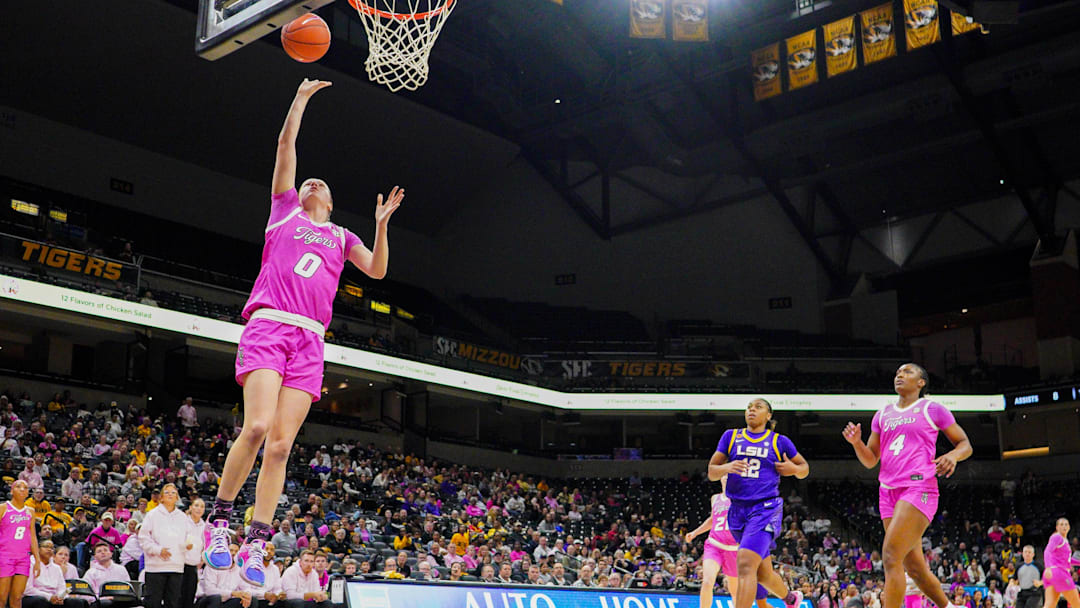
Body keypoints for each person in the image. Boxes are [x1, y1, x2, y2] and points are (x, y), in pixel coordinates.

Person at [203, 77, 404, 587]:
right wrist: (299, 100)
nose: (311, 183)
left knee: (280, 446)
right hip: (270, 325)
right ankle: (220, 520)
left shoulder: (342, 236)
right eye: (307, 182)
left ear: (332, 203)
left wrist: (381, 225)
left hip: (310, 339)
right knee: (255, 428)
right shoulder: (283, 214)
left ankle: (257, 538)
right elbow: (285, 148)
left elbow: (377, 272)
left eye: (321, 184)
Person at [843, 363, 972, 608]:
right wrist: (857, 443)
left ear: (921, 382)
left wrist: (953, 456)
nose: (900, 375)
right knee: (914, 567)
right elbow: (871, 460)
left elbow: (965, 444)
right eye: (897, 373)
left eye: (907, 372)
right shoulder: (882, 414)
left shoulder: (932, 409)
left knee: (891, 556)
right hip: (887, 492)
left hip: (918, 488)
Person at [708, 398, 808, 608]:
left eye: (758, 407)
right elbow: (711, 472)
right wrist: (727, 467)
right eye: (749, 407)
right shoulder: (731, 436)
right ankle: (791, 599)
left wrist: (794, 469)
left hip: (764, 509)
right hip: (737, 510)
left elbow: (804, 468)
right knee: (763, 574)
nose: (752, 410)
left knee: (744, 565)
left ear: (769, 415)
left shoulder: (779, 441)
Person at [685, 474, 772, 608]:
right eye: (724, 474)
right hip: (714, 545)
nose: (726, 477)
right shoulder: (715, 498)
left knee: (735, 591)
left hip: (734, 549)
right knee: (707, 581)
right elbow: (712, 519)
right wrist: (695, 532)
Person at [140, 484, 188, 608]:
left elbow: (188, 538)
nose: (170, 494)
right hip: (156, 567)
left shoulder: (183, 517)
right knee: (153, 603)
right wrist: (158, 550)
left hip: (176, 567)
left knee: (172, 603)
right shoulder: (152, 515)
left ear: (177, 497)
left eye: (173, 492)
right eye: (167, 492)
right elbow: (143, 538)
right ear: (161, 497)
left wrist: (187, 546)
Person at [0, 480, 43, 608]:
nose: (22, 489)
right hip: (5, 556)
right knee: (2, 597)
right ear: (12, 491)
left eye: (25, 487)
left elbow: (33, 537)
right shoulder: (3, 508)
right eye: (18, 487)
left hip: (23, 558)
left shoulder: (30, 511)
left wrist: (37, 559)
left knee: (17, 598)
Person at [23, 540, 90, 608]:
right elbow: (27, 589)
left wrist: (60, 597)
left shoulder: (56, 568)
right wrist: (49, 597)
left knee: (77, 602)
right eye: (46, 546)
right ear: (38, 549)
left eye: (52, 548)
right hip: (34, 597)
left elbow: (61, 587)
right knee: (41, 601)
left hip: (54, 597)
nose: (49, 549)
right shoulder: (30, 564)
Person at [1040, 518, 1080, 608]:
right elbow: (1047, 551)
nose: (1064, 526)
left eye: (1066, 524)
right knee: (1077, 604)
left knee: (1050, 605)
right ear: (1057, 527)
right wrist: (1047, 567)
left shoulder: (1065, 541)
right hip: (1059, 573)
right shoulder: (1057, 537)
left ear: (1069, 527)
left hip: (1052, 575)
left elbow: (1067, 561)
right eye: (1061, 524)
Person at [85, 542, 137, 608]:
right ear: (95, 557)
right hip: (100, 602)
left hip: (120, 600)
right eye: (99, 551)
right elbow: (87, 595)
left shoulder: (121, 569)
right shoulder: (90, 573)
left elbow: (128, 589)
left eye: (105, 550)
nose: (103, 552)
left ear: (111, 554)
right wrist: (102, 598)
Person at [182, 498, 207, 608]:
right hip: (180, 564)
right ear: (191, 507)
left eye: (202, 506)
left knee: (189, 596)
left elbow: (206, 545)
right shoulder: (183, 521)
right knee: (177, 596)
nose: (199, 508)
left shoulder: (205, 526)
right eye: (196, 505)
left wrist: (202, 559)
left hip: (194, 566)